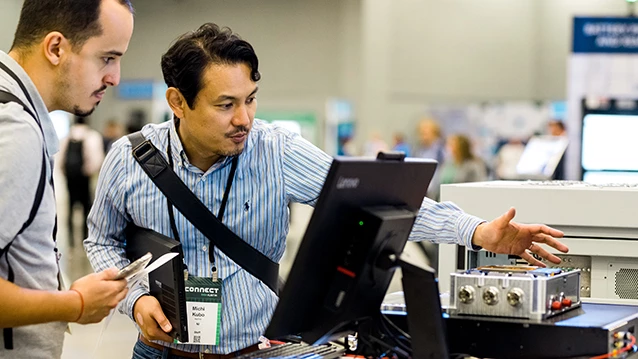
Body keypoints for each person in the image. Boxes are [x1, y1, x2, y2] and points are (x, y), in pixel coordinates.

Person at [84, 23, 568, 358]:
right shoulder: (129, 160)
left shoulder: (275, 151)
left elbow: (378, 202)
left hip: (259, 350)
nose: (244, 119)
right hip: (161, 353)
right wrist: (133, 298)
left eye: (251, 100)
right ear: (178, 102)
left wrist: (477, 232)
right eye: (225, 104)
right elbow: (101, 241)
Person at [0, 0, 134, 357]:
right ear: (56, 48)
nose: (115, 77)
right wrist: (74, 304)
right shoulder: (16, 133)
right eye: (107, 58)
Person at [59, 115, 105, 247]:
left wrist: (65, 172)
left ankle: (71, 239)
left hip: (70, 176)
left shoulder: (66, 137)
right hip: (85, 177)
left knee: (70, 206)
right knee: (87, 207)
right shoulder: (92, 136)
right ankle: (86, 237)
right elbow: (97, 159)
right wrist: (89, 171)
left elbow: (60, 159)